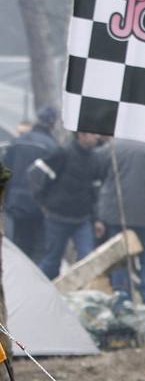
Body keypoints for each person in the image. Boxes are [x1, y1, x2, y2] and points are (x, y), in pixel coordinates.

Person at [31, 130, 108, 279]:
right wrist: (43, 202)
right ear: (81, 135)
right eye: (93, 134)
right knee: (52, 262)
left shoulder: (94, 159)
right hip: (57, 218)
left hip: (82, 219)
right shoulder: (62, 153)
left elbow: (95, 192)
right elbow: (35, 174)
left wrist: (97, 218)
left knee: (88, 261)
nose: (97, 137)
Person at [96, 138, 145, 304]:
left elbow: (97, 169)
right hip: (144, 212)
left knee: (119, 256)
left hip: (116, 212)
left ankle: (121, 295)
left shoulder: (111, 148)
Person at [2, 107, 59, 261]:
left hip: (16, 202)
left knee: (19, 243)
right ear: (52, 124)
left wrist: (6, 199)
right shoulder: (52, 147)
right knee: (39, 247)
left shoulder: (18, 142)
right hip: (39, 204)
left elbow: (5, 172)